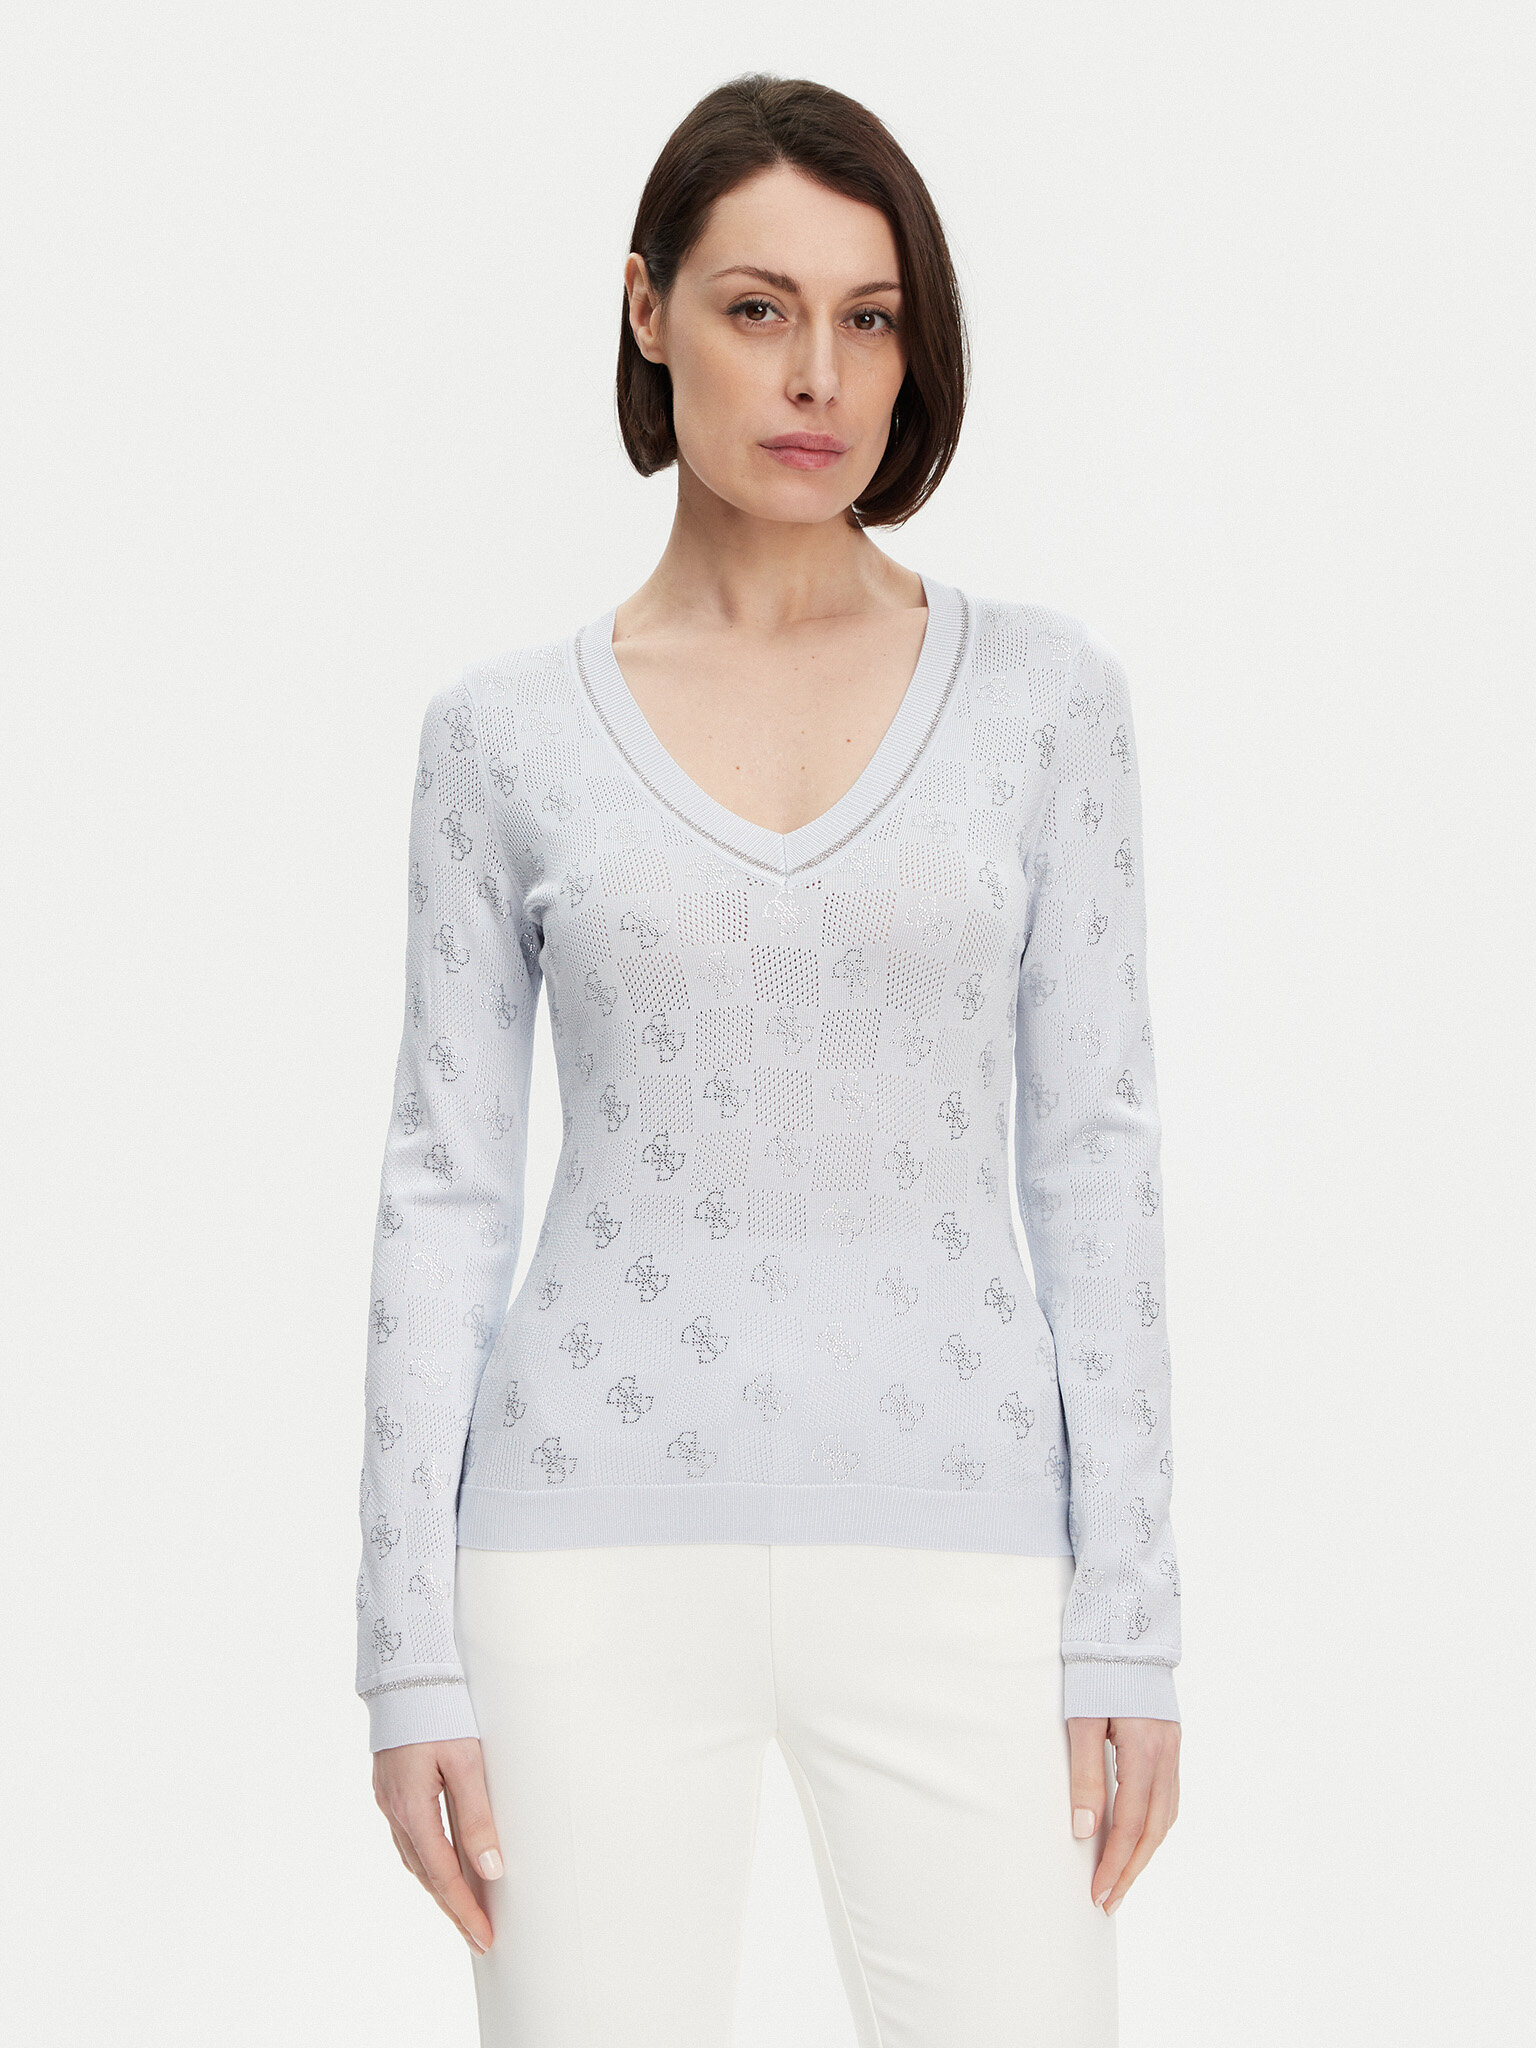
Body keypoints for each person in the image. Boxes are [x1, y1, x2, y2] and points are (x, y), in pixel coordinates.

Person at [355, 71, 1182, 2047]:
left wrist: (1130, 1619)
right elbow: (444, 1191)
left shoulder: (1046, 705)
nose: (818, 373)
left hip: (974, 1557)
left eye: (869, 317)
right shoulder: (503, 737)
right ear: (648, 310)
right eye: (757, 307)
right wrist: (406, 1651)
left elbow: (1097, 1158)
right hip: (578, 1562)